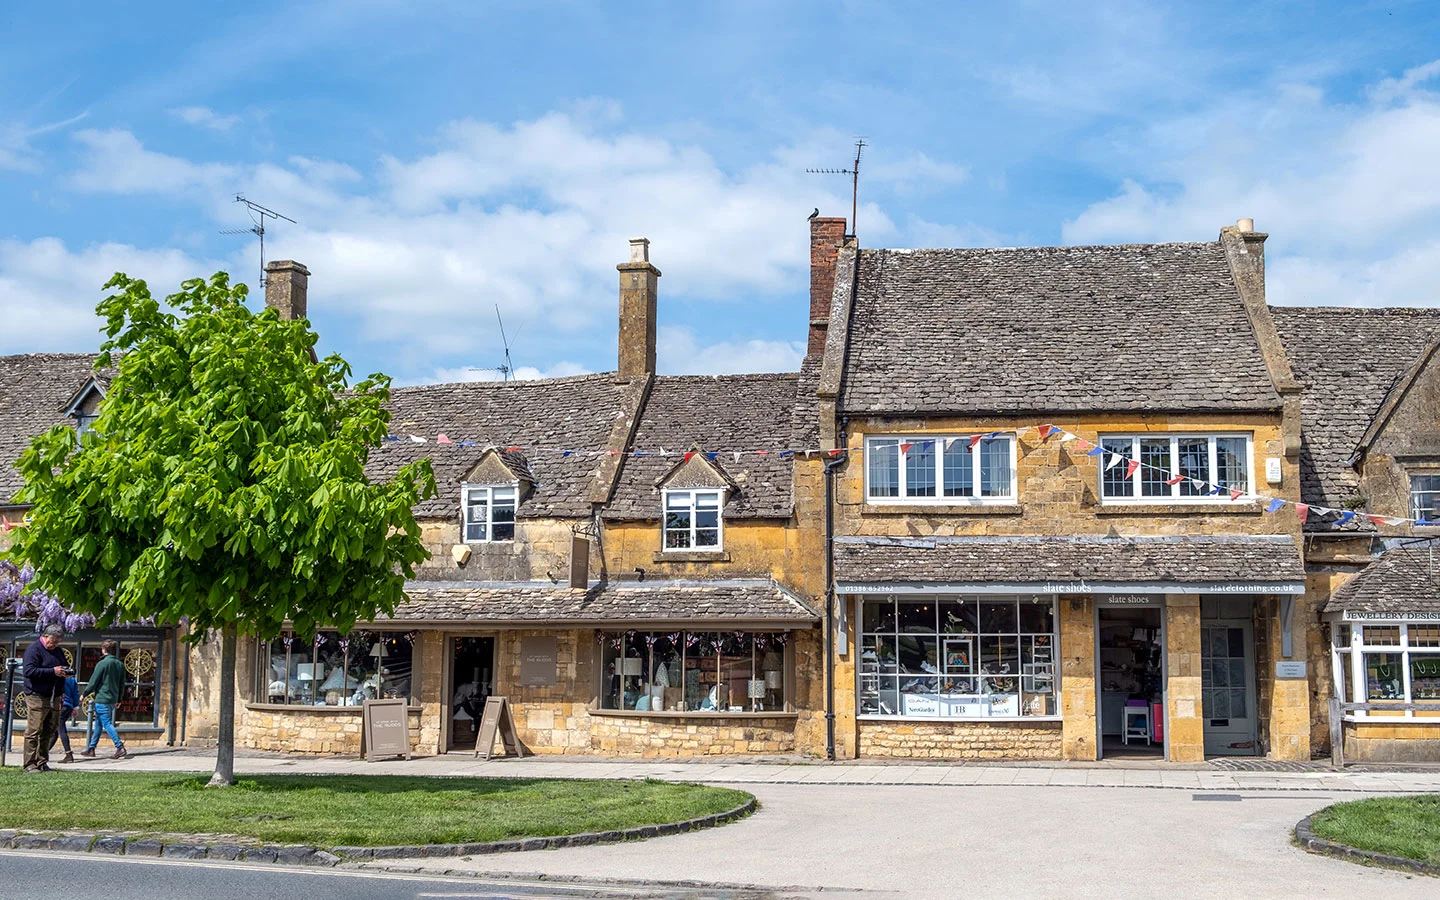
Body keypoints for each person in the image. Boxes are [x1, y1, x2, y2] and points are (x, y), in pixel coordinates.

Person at [20, 625, 68, 773]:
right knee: (34, 730)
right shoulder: (33, 650)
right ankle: (30, 764)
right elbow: (29, 671)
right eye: (53, 641)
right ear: (45, 636)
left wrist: (67, 671)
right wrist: (52, 671)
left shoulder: (58, 651)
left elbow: (64, 665)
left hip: (54, 696)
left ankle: (42, 762)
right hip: (37, 696)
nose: (54, 645)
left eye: (57, 642)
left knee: (49, 730)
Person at [80, 639, 127, 760]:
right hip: (113, 699)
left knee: (106, 723)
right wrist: (119, 699)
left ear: (104, 650)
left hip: (102, 698)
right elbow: (122, 684)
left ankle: (119, 746)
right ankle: (91, 748)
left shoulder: (102, 664)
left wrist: (84, 693)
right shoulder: (120, 664)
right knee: (99, 724)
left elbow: (93, 681)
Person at [46, 672, 80, 763]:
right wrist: (75, 707)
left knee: (60, 729)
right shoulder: (72, 680)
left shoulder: (58, 678)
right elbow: (75, 693)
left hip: (61, 705)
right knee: (56, 731)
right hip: (69, 706)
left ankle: (68, 754)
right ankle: (44, 753)